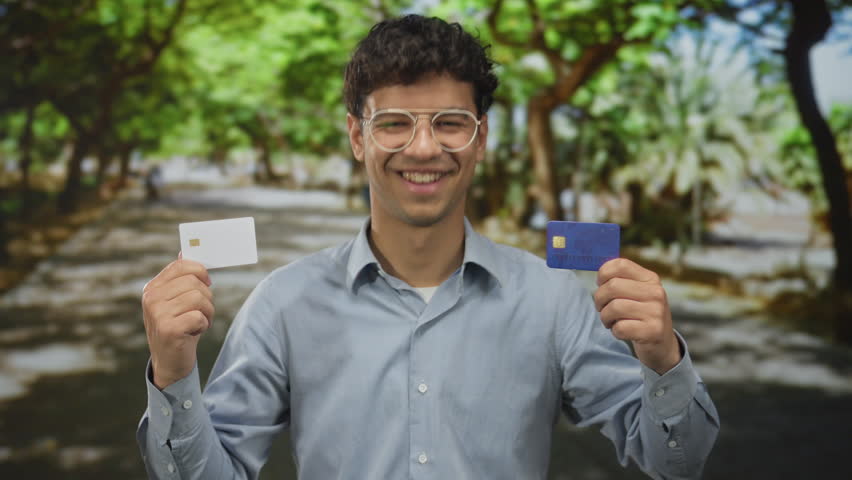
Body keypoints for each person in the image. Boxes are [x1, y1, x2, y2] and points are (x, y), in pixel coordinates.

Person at [137, 15, 719, 480]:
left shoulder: (553, 301)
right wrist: (173, 371)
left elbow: (676, 462)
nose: (422, 148)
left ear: (480, 138)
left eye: (449, 122)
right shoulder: (284, 303)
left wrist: (664, 360)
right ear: (356, 137)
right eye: (393, 123)